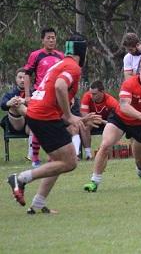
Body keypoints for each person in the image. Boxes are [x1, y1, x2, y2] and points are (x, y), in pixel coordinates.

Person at [7, 34, 101, 214]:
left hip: (39, 113)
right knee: (70, 162)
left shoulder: (59, 63)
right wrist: (69, 115)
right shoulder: (73, 67)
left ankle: (38, 203)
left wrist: (78, 118)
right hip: (45, 116)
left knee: (57, 160)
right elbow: (59, 86)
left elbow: (54, 91)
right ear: (82, 52)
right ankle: (21, 179)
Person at [84, 55, 141, 192]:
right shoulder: (129, 83)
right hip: (120, 119)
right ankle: (94, 181)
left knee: (140, 159)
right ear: (139, 70)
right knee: (105, 145)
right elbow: (124, 106)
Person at [23, 27, 65, 167]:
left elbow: (65, 76)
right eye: (48, 38)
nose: (51, 40)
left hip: (55, 96)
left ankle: (52, 156)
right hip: (40, 94)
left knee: (54, 125)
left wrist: (68, 96)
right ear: (42, 40)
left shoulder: (60, 56)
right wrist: (28, 95)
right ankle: (35, 158)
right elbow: (27, 74)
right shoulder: (36, 55)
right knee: (39, 126)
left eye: (53, 37)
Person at [80, 81, 119, 160]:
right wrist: (93, 119)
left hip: (106, 123)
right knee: (85, 125)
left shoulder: (110, 101)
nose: (91, 96)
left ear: (102, 92)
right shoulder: (87, 96)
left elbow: (119, 118)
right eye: (91, 93)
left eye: (94, 94)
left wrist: (103, 122)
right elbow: (84, 116)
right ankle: (88, 154)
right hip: (92, 121)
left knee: (112, 127)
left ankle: (109, 155)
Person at [1, 68, 30, 135]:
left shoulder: (34, 92)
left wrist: (25, 101)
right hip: (17, 126)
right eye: (20, 77)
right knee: (16, 103)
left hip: (30, 126)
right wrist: (8, 103)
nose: (22, 80)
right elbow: (2, 105)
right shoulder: (9, 93)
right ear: (16, 79)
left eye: (25, 78)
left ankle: (32, 144)